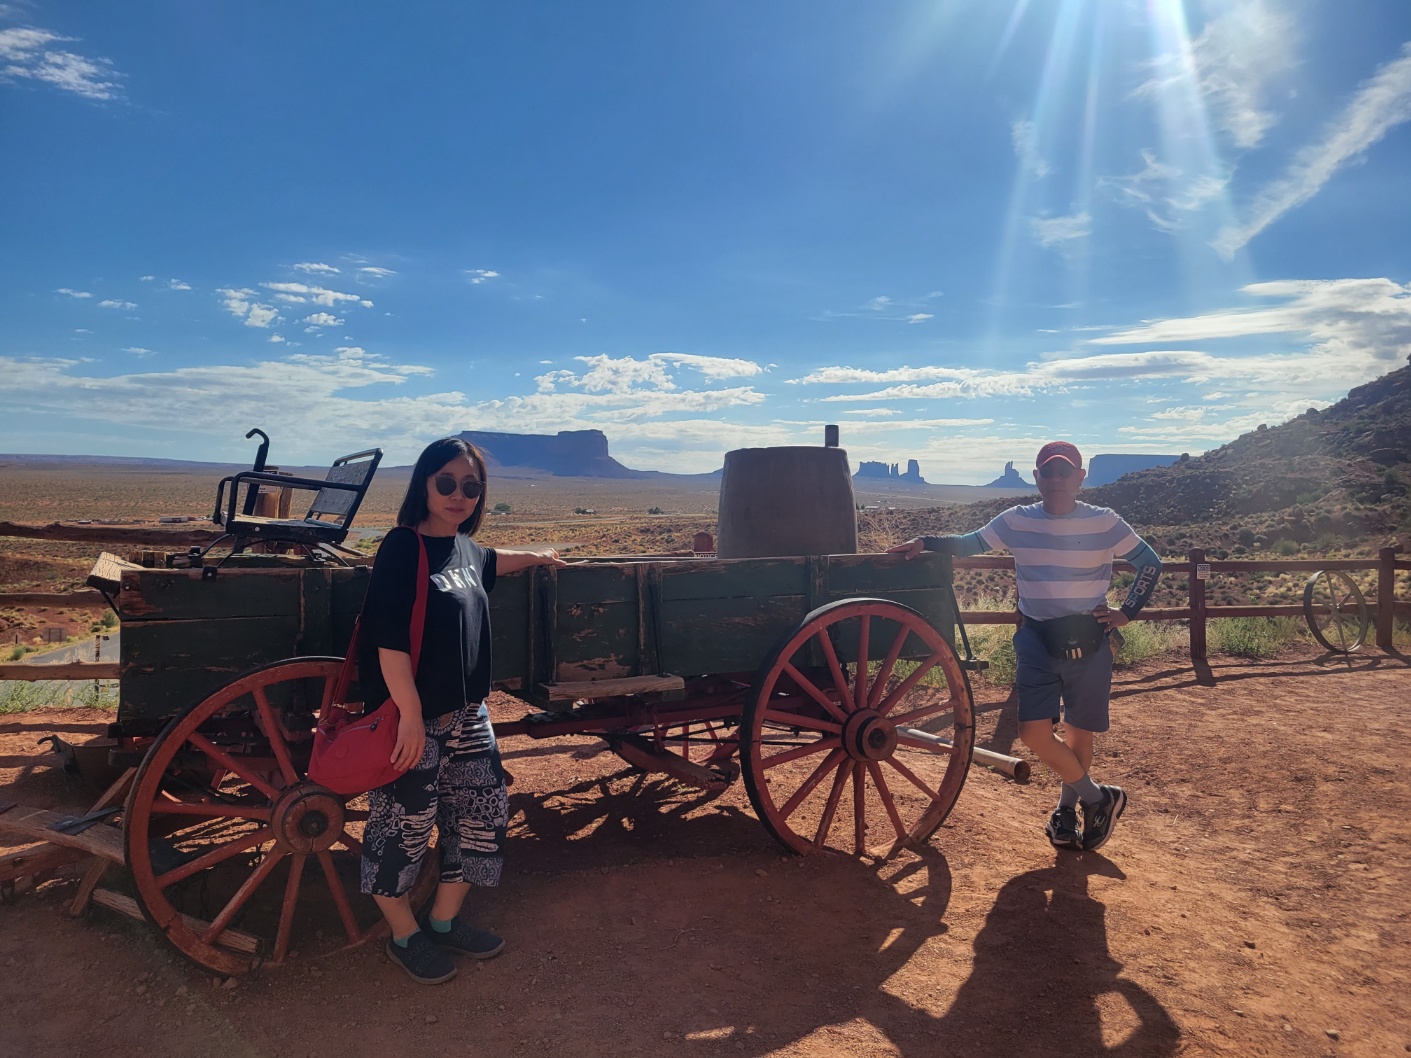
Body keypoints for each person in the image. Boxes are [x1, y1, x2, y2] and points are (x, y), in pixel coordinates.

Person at [357, 437, 565, 984]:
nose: (458, 495)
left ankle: (444, 922)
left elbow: (496, 561)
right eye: (446, 482)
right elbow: (388, 640)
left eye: (470, 487)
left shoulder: (468, 552)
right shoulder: (403, 547)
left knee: (483, 816)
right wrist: (408, 714)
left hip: (470, 715)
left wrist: (540, 556)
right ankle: (404, 936)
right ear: (424, 484)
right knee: (403, 827)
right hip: (414, 718)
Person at [888, 441, 1162, 853]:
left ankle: (1066, 813)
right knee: (1033, 733)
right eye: (1047, 472)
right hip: (1036, 638)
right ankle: (1097, 797)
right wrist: (925, 541)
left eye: (1064, 472)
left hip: (1090, 639)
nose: (1056, 479)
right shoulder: (1017, 520)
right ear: (1036, 477)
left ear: (1080, 477)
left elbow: (1150, 563)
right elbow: (969, 543)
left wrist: (1126, 612)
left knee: (1079, 732)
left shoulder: (1105, 522)